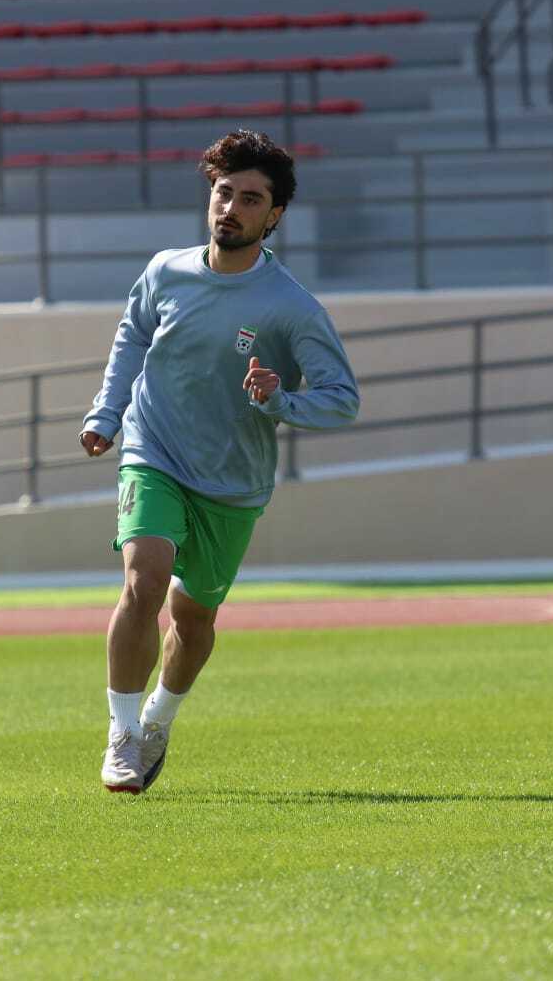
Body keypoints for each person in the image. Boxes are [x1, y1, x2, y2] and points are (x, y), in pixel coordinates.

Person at [80, 129, 361, 794]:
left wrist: (280, 401)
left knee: (194, 619)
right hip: (153, 449)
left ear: (275, 214)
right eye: (223, 192)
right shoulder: (165, 271)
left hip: (232, 479)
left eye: (250, 199)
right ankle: (122, 734)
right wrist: (106, 413)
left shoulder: (290, 307)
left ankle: (158, 719)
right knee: (145, 579)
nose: (230, 208)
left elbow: (341, 400)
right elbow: (131, 338)